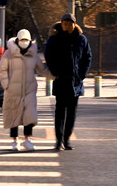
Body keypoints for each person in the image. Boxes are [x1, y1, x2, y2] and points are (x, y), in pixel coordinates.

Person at [0, 29, 55, 151]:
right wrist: (6, 85)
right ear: (17, 40)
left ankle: (27, 140)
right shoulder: (9, 54)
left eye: (26, 40)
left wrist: (53, 77)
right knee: (13, 115)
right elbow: (2, 70)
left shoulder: (33, 55)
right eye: (22, 40)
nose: (24, 42)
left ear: (29, 41)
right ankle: (15, 141)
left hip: (29, 89)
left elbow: (42, 69)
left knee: (30, 114)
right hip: (13, 90)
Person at [45, 13, 92, 151]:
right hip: (61, 80)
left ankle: (67, 140)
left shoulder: (81, 39)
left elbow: (87, 57)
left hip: (75, 82)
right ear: (61, 24)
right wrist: (54, 72)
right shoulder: (55, 39)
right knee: (60, 111)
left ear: (74, 24)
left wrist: (82, 75)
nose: (67, 26)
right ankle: (58, 141)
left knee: (71, 112)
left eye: (70, 23)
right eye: (64, 23)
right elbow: (49, 56)